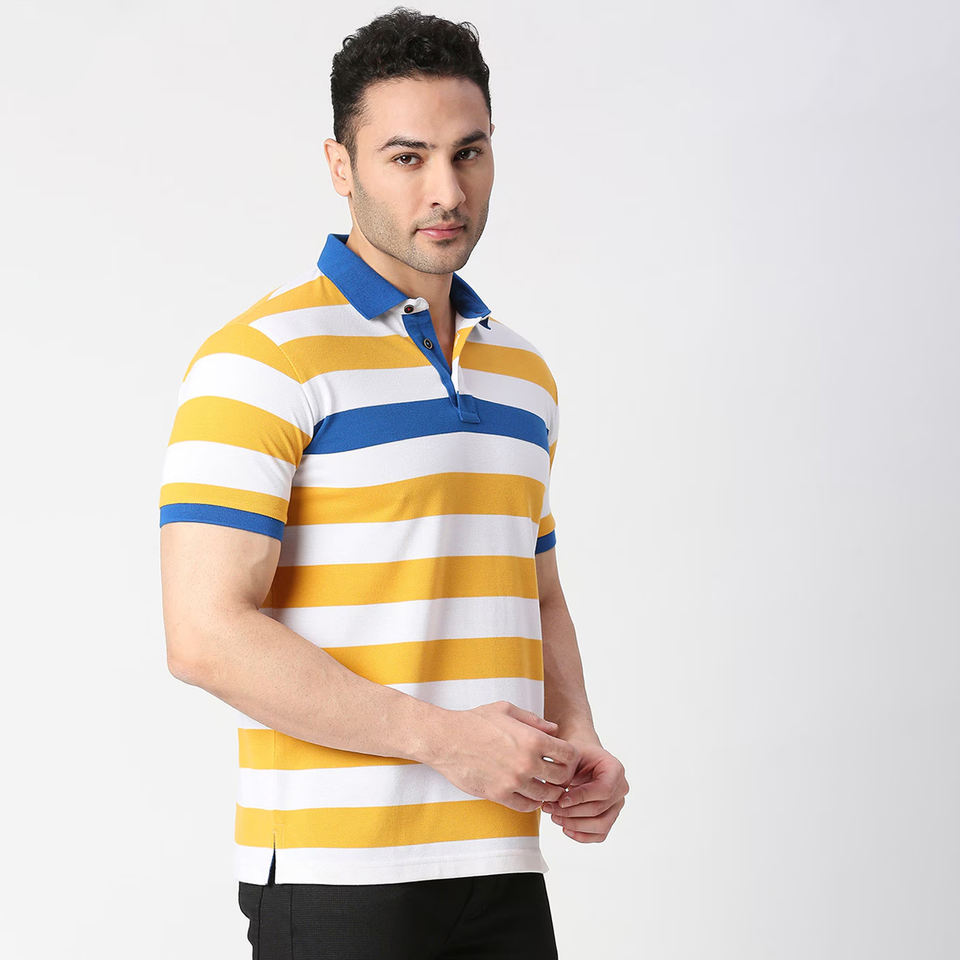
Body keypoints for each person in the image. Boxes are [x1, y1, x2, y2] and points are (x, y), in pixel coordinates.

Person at [158, 7, 628, 958]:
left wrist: (576, 733)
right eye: (407, 157)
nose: (446, 190)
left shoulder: (522, 376)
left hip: (502, 861)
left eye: (469, 153)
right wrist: (444, 739)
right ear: (341, 166)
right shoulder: (261, 359)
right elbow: (204, 635)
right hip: (339, 877)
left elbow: (534, 590)